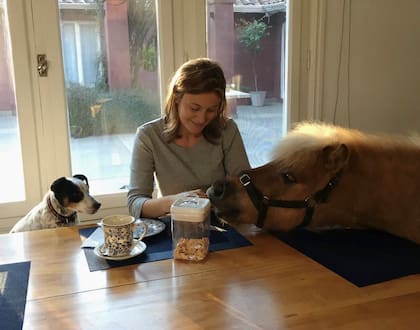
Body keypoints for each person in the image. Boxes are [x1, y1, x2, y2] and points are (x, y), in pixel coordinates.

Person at [127, 58, 250, 219]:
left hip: (223, 225)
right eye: (194, 108)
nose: (202, 118)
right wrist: (176, 201)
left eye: (212, 110)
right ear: (177, 97)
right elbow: (135, 204)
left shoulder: (227, 130)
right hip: (175, 226)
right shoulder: (148, 136)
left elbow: (246, 189)